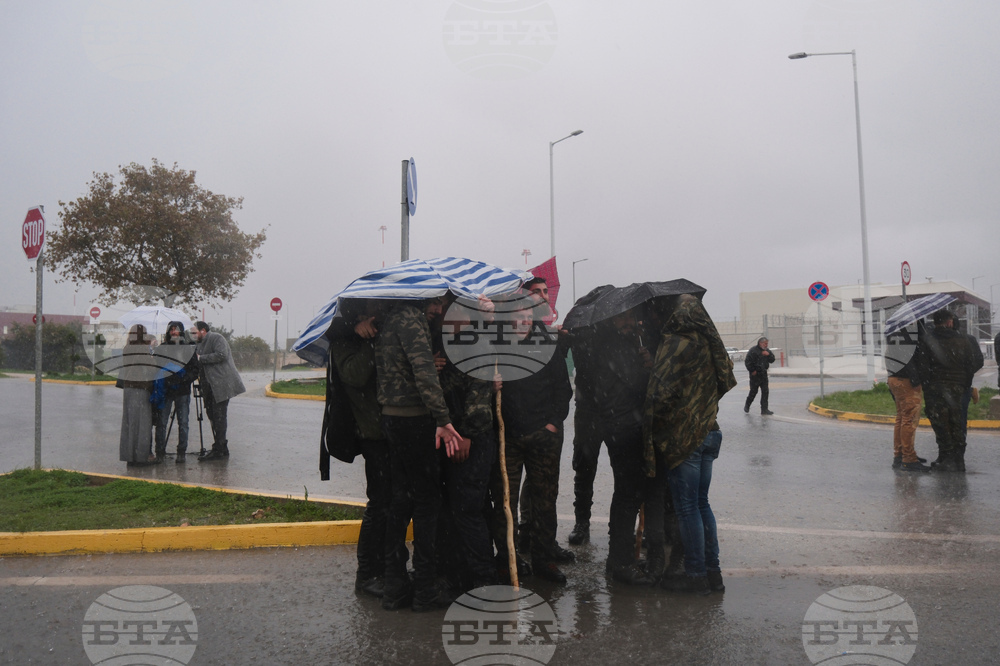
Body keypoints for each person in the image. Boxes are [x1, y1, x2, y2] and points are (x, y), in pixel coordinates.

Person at [643, 295, 737, 595]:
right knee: (701, 504)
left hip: (685, 438)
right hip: (710, 432)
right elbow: (725, 380)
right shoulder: (710, 342)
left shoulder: (676, 343)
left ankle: (695, 575)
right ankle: (713, 573)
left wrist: (657, 423)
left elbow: (660, 394)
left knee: (687, 508)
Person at [376, 297, 464, 612]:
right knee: (427, 502)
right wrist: (443, 418)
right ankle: (425, 590)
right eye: (435, 303)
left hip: (391, 417)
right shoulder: (412, 320)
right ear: (420, 295)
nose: (438, 310)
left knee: (399, 502)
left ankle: (395, 587)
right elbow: (424, 373)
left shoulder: (389, 318)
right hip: (414, 419)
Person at [491, 296, 573, 584]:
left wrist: (553, 423)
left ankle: (543, 559)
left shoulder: (547, 344)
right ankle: (508, 559)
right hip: (508, 438)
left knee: (545, 501)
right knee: (505, 503)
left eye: (527, 315)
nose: (523, 321)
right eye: (518, 315)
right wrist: (491, 385)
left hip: (543, 435)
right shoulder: (497, 345)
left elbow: (563, 389)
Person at [322, 303, 394, 599]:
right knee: (380, 504)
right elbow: (355, 375)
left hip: (390, 430)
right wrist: (368, 342)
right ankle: (367, 574)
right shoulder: (344, 340)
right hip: (372, 433)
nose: (376, 316)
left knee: (395, 504)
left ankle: (389, 569)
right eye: (370, 311)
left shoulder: (376, 334)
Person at [434, 301, 500, 593]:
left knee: (467, 509)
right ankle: (460, 573)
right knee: (458, 508)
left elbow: (477, 398)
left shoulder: (475, 343)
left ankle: (483, 578)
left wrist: (467, 436)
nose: (444, 315)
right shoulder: (451, 343)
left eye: (451, 310)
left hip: (471, 438)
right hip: (454, 434)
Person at [589, 307, 655, 585]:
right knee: (628, 496)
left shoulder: (623, 343)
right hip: (622, 427)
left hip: (624, 424)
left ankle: (619, 558)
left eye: (631, 317)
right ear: (611, 320)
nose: (629, 322)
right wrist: (649, 366)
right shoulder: (613, 346)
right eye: (622, 317)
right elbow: (637, 384)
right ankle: (621, 562)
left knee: (627, 494)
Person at [917, 309, 979, 472]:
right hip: (957, 387)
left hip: (936, 387)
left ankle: (946, 457)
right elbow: (971, 364)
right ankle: (958, 459)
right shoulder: (963, 340)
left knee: (940, 423)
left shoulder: (928, 340)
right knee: (956, 421)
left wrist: (928, 385)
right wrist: (964, 383)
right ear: (950, 322)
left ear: (935, 322)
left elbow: (923, 366)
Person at [194, 321, 246, 461]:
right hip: (208, 386)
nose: (193, 335)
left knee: (219, 416)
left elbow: (221, 354)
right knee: (212, 414)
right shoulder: (199, 344)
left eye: (195, 332)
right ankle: (221, 446)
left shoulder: (217, 338)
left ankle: (219, 448)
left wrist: (201, 358)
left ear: (203, 330)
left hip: (221, 384)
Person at [152, 322, 198, 464]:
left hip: (182, 391)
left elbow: (195, 370)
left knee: (183, 423)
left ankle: (181, 452)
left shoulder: (188, 349)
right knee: (161, 423)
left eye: (176, 330)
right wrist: (166, 378)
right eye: (171, 330)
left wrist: (183, 379)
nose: (173, 332)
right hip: (165, 391)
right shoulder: (162, 348)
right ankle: (160, 452)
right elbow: (155, 367)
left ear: (181, 332)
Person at [887, 336, 930, 472]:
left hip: (895, 378)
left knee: (902, 418)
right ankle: (908, 458)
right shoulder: (906, 337)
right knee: (909, 419)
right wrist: (916, 380)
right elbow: (908, 360)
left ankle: (900, 455)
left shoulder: (894, 336)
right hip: (906, 380)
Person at [117, 325, 157, 466]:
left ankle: (129, 456)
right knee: (142, 424)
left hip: (128, 388)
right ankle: (141, 457)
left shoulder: (127, 348)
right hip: (141, 388)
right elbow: (150, 368)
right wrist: (152, 357)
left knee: (129, 423)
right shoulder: (143, 349)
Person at [744, 337, 775, 415]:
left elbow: (772, 360)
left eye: (767, 343)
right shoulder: (753, 350)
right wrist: (752, 370)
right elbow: (747, 362)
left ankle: (764, 409)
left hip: (763, 374)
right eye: (765, 343)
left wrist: (768, 355)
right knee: (753, 391)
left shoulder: (767, 351)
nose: (766, 345)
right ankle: (747, 405)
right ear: (760, 343)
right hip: (755, 375)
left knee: (765, 392)